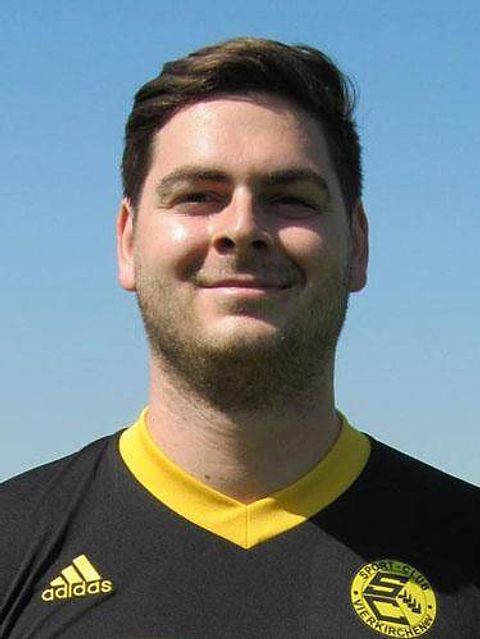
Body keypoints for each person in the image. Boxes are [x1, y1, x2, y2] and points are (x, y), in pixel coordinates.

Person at [0, 37, 478, 639]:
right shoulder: (13, 546)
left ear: (357, 244)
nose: (242, 227)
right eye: (199, 196)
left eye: (290, 199)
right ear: (128, 241)